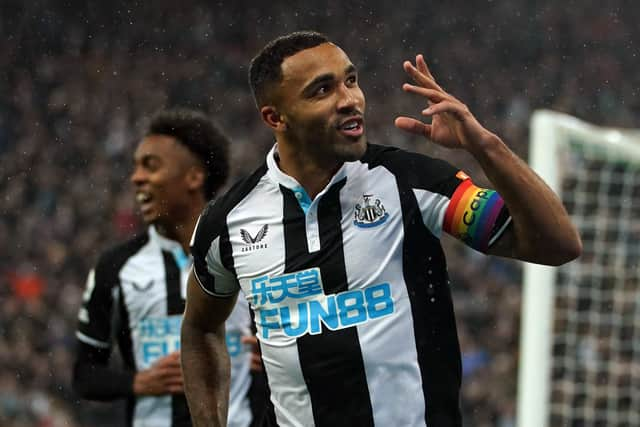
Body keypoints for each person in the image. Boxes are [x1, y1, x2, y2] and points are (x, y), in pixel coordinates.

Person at [181, 31, 582, 427]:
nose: (350, 100)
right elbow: (200, 327)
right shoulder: (227, 222)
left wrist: (484, 145)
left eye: (351, 80)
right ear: (275, 117)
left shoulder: (411, 181)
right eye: (322, 90)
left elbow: (558, 245)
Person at [73, 108, 258, 427]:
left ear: (194, 177)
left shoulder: (250, 254)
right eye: (135, 167)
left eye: (151, 165)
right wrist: (136, 383)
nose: (136, 177)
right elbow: (85, 374)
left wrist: (278, 356)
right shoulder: (115, 267)